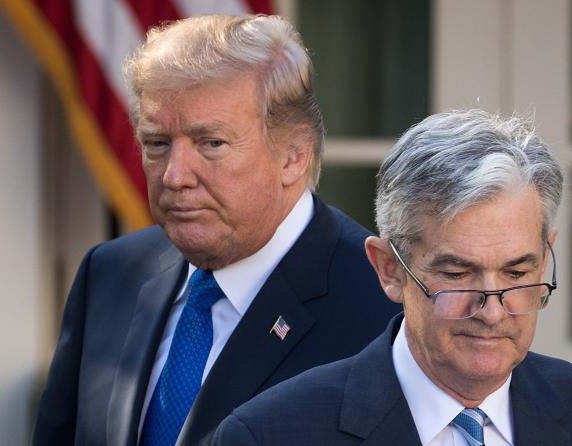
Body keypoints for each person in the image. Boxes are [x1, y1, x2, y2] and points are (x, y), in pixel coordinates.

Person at [32, 15, 400, 446]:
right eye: (157, 144)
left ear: (294, 156)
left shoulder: (385, 304)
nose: (174, 176)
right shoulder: (109, 273)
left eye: (212, 144)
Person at [212, 110, 572, 445]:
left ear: (545, 257)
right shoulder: (271, 434)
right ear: (389, 269)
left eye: (517, 272)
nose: (493, 310)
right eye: (458, 273)